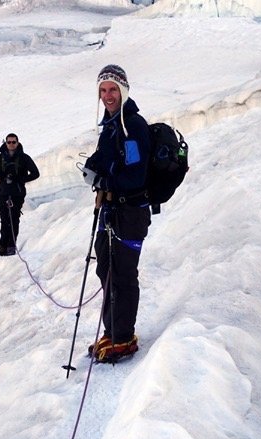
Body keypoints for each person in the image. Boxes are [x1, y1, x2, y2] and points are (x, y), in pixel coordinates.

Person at [80, 64, 152, 362]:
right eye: (103, 90)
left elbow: (136, 175)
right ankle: (113, 332)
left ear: (123, 90)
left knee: (122, 274)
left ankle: (123, 338)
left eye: (113, 89)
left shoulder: (132, 126)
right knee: (106, 270)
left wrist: (105, 180)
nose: (108, 95)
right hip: (111, 210)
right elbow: (107, 161)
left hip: (130, 212)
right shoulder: (109, 127)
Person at [0, 133, 39, 257]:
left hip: (17, 193)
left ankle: (11, 246)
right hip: (4, 193)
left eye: (13, 142)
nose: (11, 144)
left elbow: (35, 173)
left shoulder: (24, 158)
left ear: (17, 143)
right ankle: (2, 246)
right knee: (4, 220)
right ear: (5, 143)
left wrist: (21, 179)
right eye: (9, 142)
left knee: (14, 219)